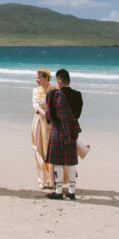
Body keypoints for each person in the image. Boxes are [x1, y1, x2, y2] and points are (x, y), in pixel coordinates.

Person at [45, 69, 82, 200]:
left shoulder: (54, 95)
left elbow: (50, 116)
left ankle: (59, 191)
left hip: (57, 130)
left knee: (58, 163)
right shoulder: (78, 95)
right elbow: (77, 115)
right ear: (69, 81)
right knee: (71, 162)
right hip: (71, 131)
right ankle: (72, 191)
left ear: (58, 81)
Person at [30, 67, 54, 189]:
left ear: (45, 78)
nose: (37, 80)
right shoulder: (35, 90)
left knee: (50, 151)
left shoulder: (54, 90)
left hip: (51, 125)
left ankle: (52, 180)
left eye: (38, 78)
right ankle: (42, 179)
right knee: (38, 150)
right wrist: (45, 114)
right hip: (39, 122)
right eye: (36, 78)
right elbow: (36, 105)